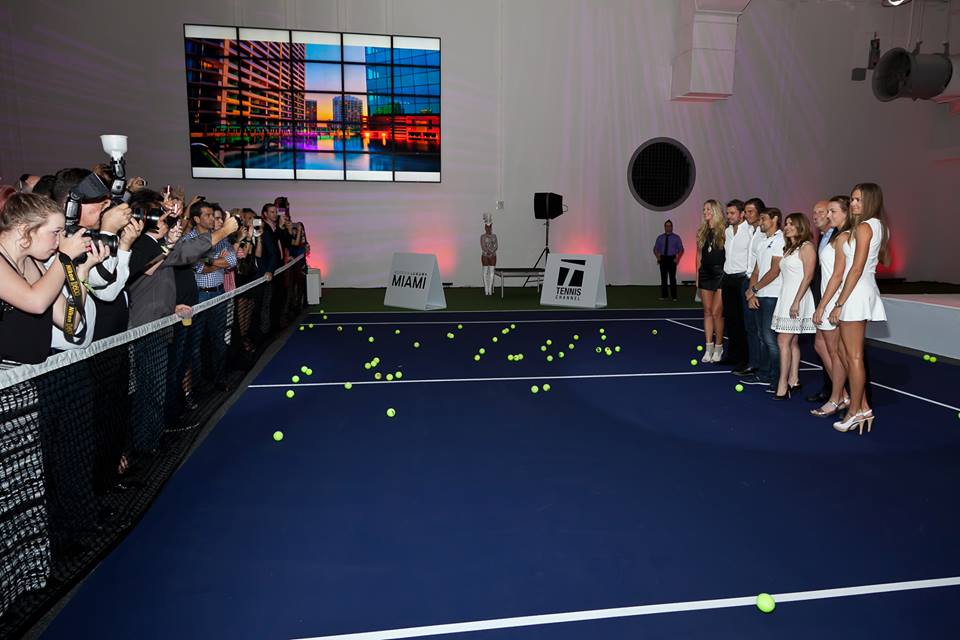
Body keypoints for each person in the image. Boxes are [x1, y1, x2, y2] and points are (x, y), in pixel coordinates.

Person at [0, 193, 92, 366]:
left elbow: (69, 322)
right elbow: (36, 302)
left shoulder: (33, 262)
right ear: (24, 229)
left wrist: (83, 273)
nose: (59, 241)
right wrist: (63, 257)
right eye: (55, 232)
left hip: (27, 376)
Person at [828, 183, 890, 434]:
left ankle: (855, 412)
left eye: (858, 200)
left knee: (853, 356)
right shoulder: (873, 226)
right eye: (852, 199)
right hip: (857, 291)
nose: (853, 204)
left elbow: (856, 268)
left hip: (856, 293)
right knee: (844, 351)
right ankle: (861, 406)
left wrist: (839, 303)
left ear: (871, 202)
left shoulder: (866, 227)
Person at [811, 196, 852, 418]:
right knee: (822, 347)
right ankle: (842, 395)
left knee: (837, 353)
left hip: (833, 299)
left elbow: (838, 275)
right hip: (827, 297)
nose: (828, 215)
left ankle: (837, 399)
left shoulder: (844, 236)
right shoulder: (834, 235)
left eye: (832, 211)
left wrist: (824, 305)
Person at [770, 213, 816, 399]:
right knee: (792, 341)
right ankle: (794, 379)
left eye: (791, 224)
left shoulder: (806, 247)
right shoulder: (789, 249)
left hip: (798, 298)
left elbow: (808, 276)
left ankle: (783, 384)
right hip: (786, 296)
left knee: (783, 341)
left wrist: (796, 301)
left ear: (800, 227)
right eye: (786, 224)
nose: (787, 226)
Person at [743, 207, 784, 388]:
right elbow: (757, 270)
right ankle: (764, 373)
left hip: (773, 295)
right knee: (762, 336)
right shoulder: (763, 242)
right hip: (761, 294)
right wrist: (752, 292)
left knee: (770, 338)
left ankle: (777, 379)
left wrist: (756, 288)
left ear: (775, 219)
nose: (760, 222)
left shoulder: (780, 240)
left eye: (764, 219)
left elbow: (775, 270)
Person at [719, 199, 753, 369]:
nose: (729, 216)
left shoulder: (750, 231)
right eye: (728, 213)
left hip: (742, 279)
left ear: (741, 214)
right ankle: (732, 354)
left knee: (742, 322)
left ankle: (744, 358)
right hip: (728, 279)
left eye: (732, 213)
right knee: (730, 320)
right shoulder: (727, 231)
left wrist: (748, 279)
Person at [806, 200, 834, 403]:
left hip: (832, 300)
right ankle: (832, 389)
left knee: (834, 350)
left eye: (821, 212)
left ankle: (842, 394)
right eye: (814, 212)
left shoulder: (838, 237)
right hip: (820, 297)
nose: (815, 215)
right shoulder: (822, 237)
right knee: (823, 347)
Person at [737, 198, 766, 377]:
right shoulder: (748, 230)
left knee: (762, 329)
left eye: (750, 212)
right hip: (747, 281)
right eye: (745, 212)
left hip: (759, 285)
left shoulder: (765, 233)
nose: (746, 215)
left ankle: (764, 367)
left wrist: (754, 289)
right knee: (750, 327)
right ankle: (753, 363)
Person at [696, 200, 725, 362]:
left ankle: (719, 347)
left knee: (716, 312)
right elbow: (699, 255)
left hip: (721, 273)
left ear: (715, 211)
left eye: (708, 209)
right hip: (705, 273)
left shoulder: (725, 231)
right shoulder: (702, 231)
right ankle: (709, 348)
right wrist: (697, 276)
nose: (705, 211)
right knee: (707, 311)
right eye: (704, 209)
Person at [653, 219, 683, 301]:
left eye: (670, 226)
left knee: (672, 278)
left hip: (672, 259)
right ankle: (664, 296)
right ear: (664, 227)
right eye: (667, 226)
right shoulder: (660, 237)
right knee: (663, 278)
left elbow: (681, 249)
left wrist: (677, 258)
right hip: (663, 259)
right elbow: (655, 249)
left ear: (672, 227)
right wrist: (658, 257)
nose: (668, 227)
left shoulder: (676, 238)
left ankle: (674, 296)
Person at [480, 212, 498, 295]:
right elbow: (483, 246)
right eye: (486, 227)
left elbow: (496, 245)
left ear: (491, 227)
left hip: (492, 256)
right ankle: (486, 289)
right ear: (484, 227)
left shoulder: (494, 236)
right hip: (485, 255)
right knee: (485, 271)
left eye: (489, 227)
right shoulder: (482, 236)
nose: (488, 228)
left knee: (492, 272)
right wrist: (488, 252)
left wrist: (492, 252)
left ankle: (490, 289)